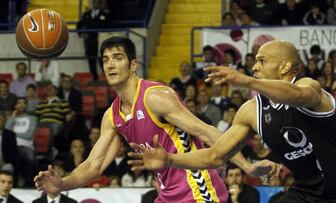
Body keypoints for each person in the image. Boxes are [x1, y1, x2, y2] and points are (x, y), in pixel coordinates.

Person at [34, 37, 278, 203]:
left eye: (117, 58)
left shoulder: (154, 96)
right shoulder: (112, 115)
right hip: (167, 195)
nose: (110, 64)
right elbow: (93, 166)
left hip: (198, 190)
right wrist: (62, 185)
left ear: (132, 65)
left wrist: (246, 167)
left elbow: (207, 132)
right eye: (105, 59)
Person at [129, 40, 336, 202]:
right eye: (254, 62)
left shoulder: (309, 87)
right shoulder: (251, 111)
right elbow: (215, 155)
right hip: (307, 193)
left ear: (285, 66)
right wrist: (170, 159)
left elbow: (299, 97)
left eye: (262, 60)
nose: (254, 66)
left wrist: (247, 81)